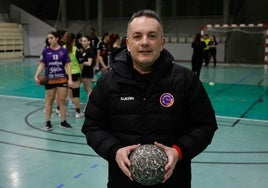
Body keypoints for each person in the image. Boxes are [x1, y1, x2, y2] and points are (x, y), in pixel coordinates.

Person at [82, 9, 217, 188]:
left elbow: (205, 125)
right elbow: (92, 125)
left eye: (152, 36)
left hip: (174, 182)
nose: (145, 42)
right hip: (122, 181)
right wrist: (114, 151)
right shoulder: (109, 81)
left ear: (162, 43)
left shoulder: (185, 80)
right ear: (128, 44)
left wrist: (178, 151)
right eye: (137, 36)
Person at [34, 31, 73, 131]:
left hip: (62, 79)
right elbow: (42, 64)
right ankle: (47, 122)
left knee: (62, 101)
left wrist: (70, 79)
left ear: (57, 38)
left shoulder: (63, 51)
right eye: (48, 38)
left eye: (51, 38)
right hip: (50, 80)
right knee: (49, 101)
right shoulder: (45, 51)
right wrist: (36, 75)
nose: (49, 40)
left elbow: (68, 65)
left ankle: (63, 122)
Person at [64, 33, 83, 118]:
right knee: (76, 93)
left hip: (65, 73)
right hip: (75, 73)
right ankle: (77, 113)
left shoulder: (62, 49)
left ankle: (62, 111)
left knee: (63, 93)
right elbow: (81, 64)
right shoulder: (76, 50)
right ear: (74, 40)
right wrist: (80, 71)